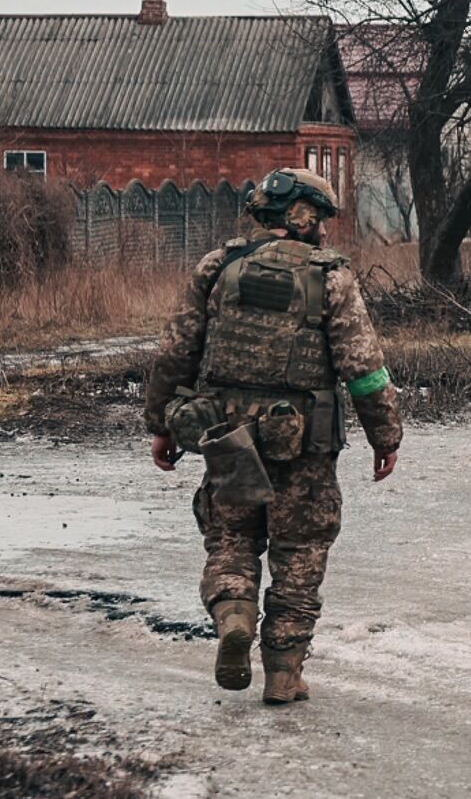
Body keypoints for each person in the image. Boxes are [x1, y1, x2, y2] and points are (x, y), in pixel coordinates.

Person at [144, 168, 403, 704]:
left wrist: (160, 425)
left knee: (232, 539)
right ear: (301, 217)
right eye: (321, 219)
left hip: (226, 436)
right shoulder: (331, 278)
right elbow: (363, 369)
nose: (326, 231)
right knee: (299, 552)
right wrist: (386, 436)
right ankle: (284, 674)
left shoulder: (218, 267)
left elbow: (175, 352)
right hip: (304, 445)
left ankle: (234, 615)